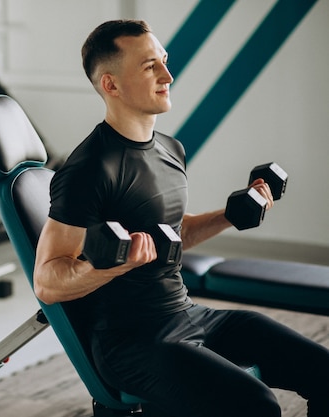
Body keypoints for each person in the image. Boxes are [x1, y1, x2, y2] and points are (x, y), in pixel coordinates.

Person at [33, 19, 329, 417]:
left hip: (189, 314)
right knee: (254, 405)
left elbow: (177, 231)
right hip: (132, 341)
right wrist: (112, 268)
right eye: (149, 66)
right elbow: (48, 280)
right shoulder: (89, 169)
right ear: (111, 85)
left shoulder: (170, 149)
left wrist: (232, 213)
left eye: (164, 61)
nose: (168, 76)